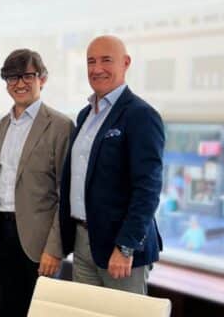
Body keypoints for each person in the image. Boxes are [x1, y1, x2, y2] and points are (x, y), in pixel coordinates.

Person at [58, 35, 164, 294]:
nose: (97, 69)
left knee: (122, 312)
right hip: (83, 241)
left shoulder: (141, 115)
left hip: (121, 248)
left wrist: (126, 246)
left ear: (125, 63)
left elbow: (148, 189)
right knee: (86, 311)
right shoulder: (85, 115)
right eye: (91, 62)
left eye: (106, 60)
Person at [0, 49, 74, 317]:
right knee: (11, 307)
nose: (19, 83)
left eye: (27, 76)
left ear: (42, 79)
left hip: (40, 241)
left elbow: (65, 194)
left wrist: (55, 248)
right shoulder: (2, 126)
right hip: (3, 233)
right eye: (12, 77)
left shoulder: (60, 126)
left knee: (41, 312)